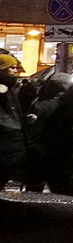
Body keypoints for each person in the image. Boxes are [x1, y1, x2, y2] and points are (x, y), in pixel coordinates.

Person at [0, 54, 28, 190]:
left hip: (10, 145)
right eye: (11, 67)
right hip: (6, 145)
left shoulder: (10, 87)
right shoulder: (3, 88)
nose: (15, 71)